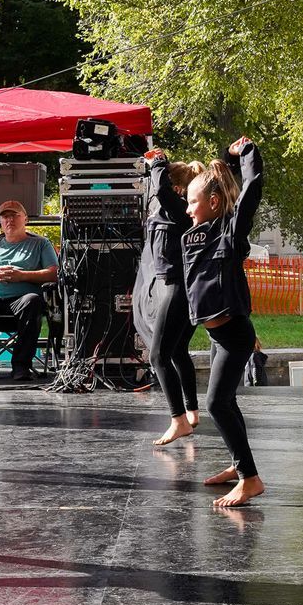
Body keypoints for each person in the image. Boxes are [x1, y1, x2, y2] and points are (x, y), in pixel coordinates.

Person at [182, 137, 265, 508]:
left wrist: (244, 154)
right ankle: (238, 465)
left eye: (192, 203)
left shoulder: (230, 233)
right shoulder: (193, 237)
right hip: (217, 337)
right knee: (226, 401)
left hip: (233, 335)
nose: (187, 210)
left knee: (216, 404)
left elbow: (252, 187)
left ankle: (251, 479)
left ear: (213, 203)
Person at [134, 149, 203, 444]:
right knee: (177, 352)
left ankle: (178, 419)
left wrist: (158, 162)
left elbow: (160, 188)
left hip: (178, 288)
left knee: (158, 356)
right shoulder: (172, 210)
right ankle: (192, 411)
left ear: (176, 188)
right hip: (179, 286)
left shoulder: (178, 208)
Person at [0, 199, 57, 382]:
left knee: (33, 300)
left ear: (26, 219)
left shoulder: (41, 244)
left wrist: (22, 276)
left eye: (14, 215)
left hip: (22, 302)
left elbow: (54, 274)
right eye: (5, 216)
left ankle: (21, 365)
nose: (9, 220)